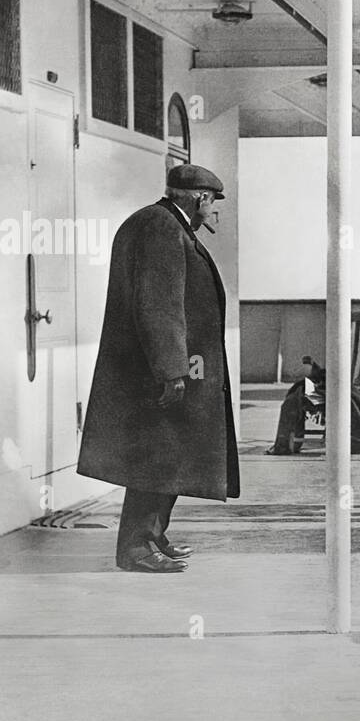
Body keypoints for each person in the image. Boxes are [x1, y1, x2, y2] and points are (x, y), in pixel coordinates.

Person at [77, 164, 241, 572]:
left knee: (168, 457)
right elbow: (160, 305)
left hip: (168, 366)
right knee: (157, 457)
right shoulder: (162, 227)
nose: (214, 214)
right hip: (160, 370)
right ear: (199, 198)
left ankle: (152, 534)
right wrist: (171, 370)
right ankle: (136, 548)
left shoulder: (162, 224)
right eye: (213, 204)